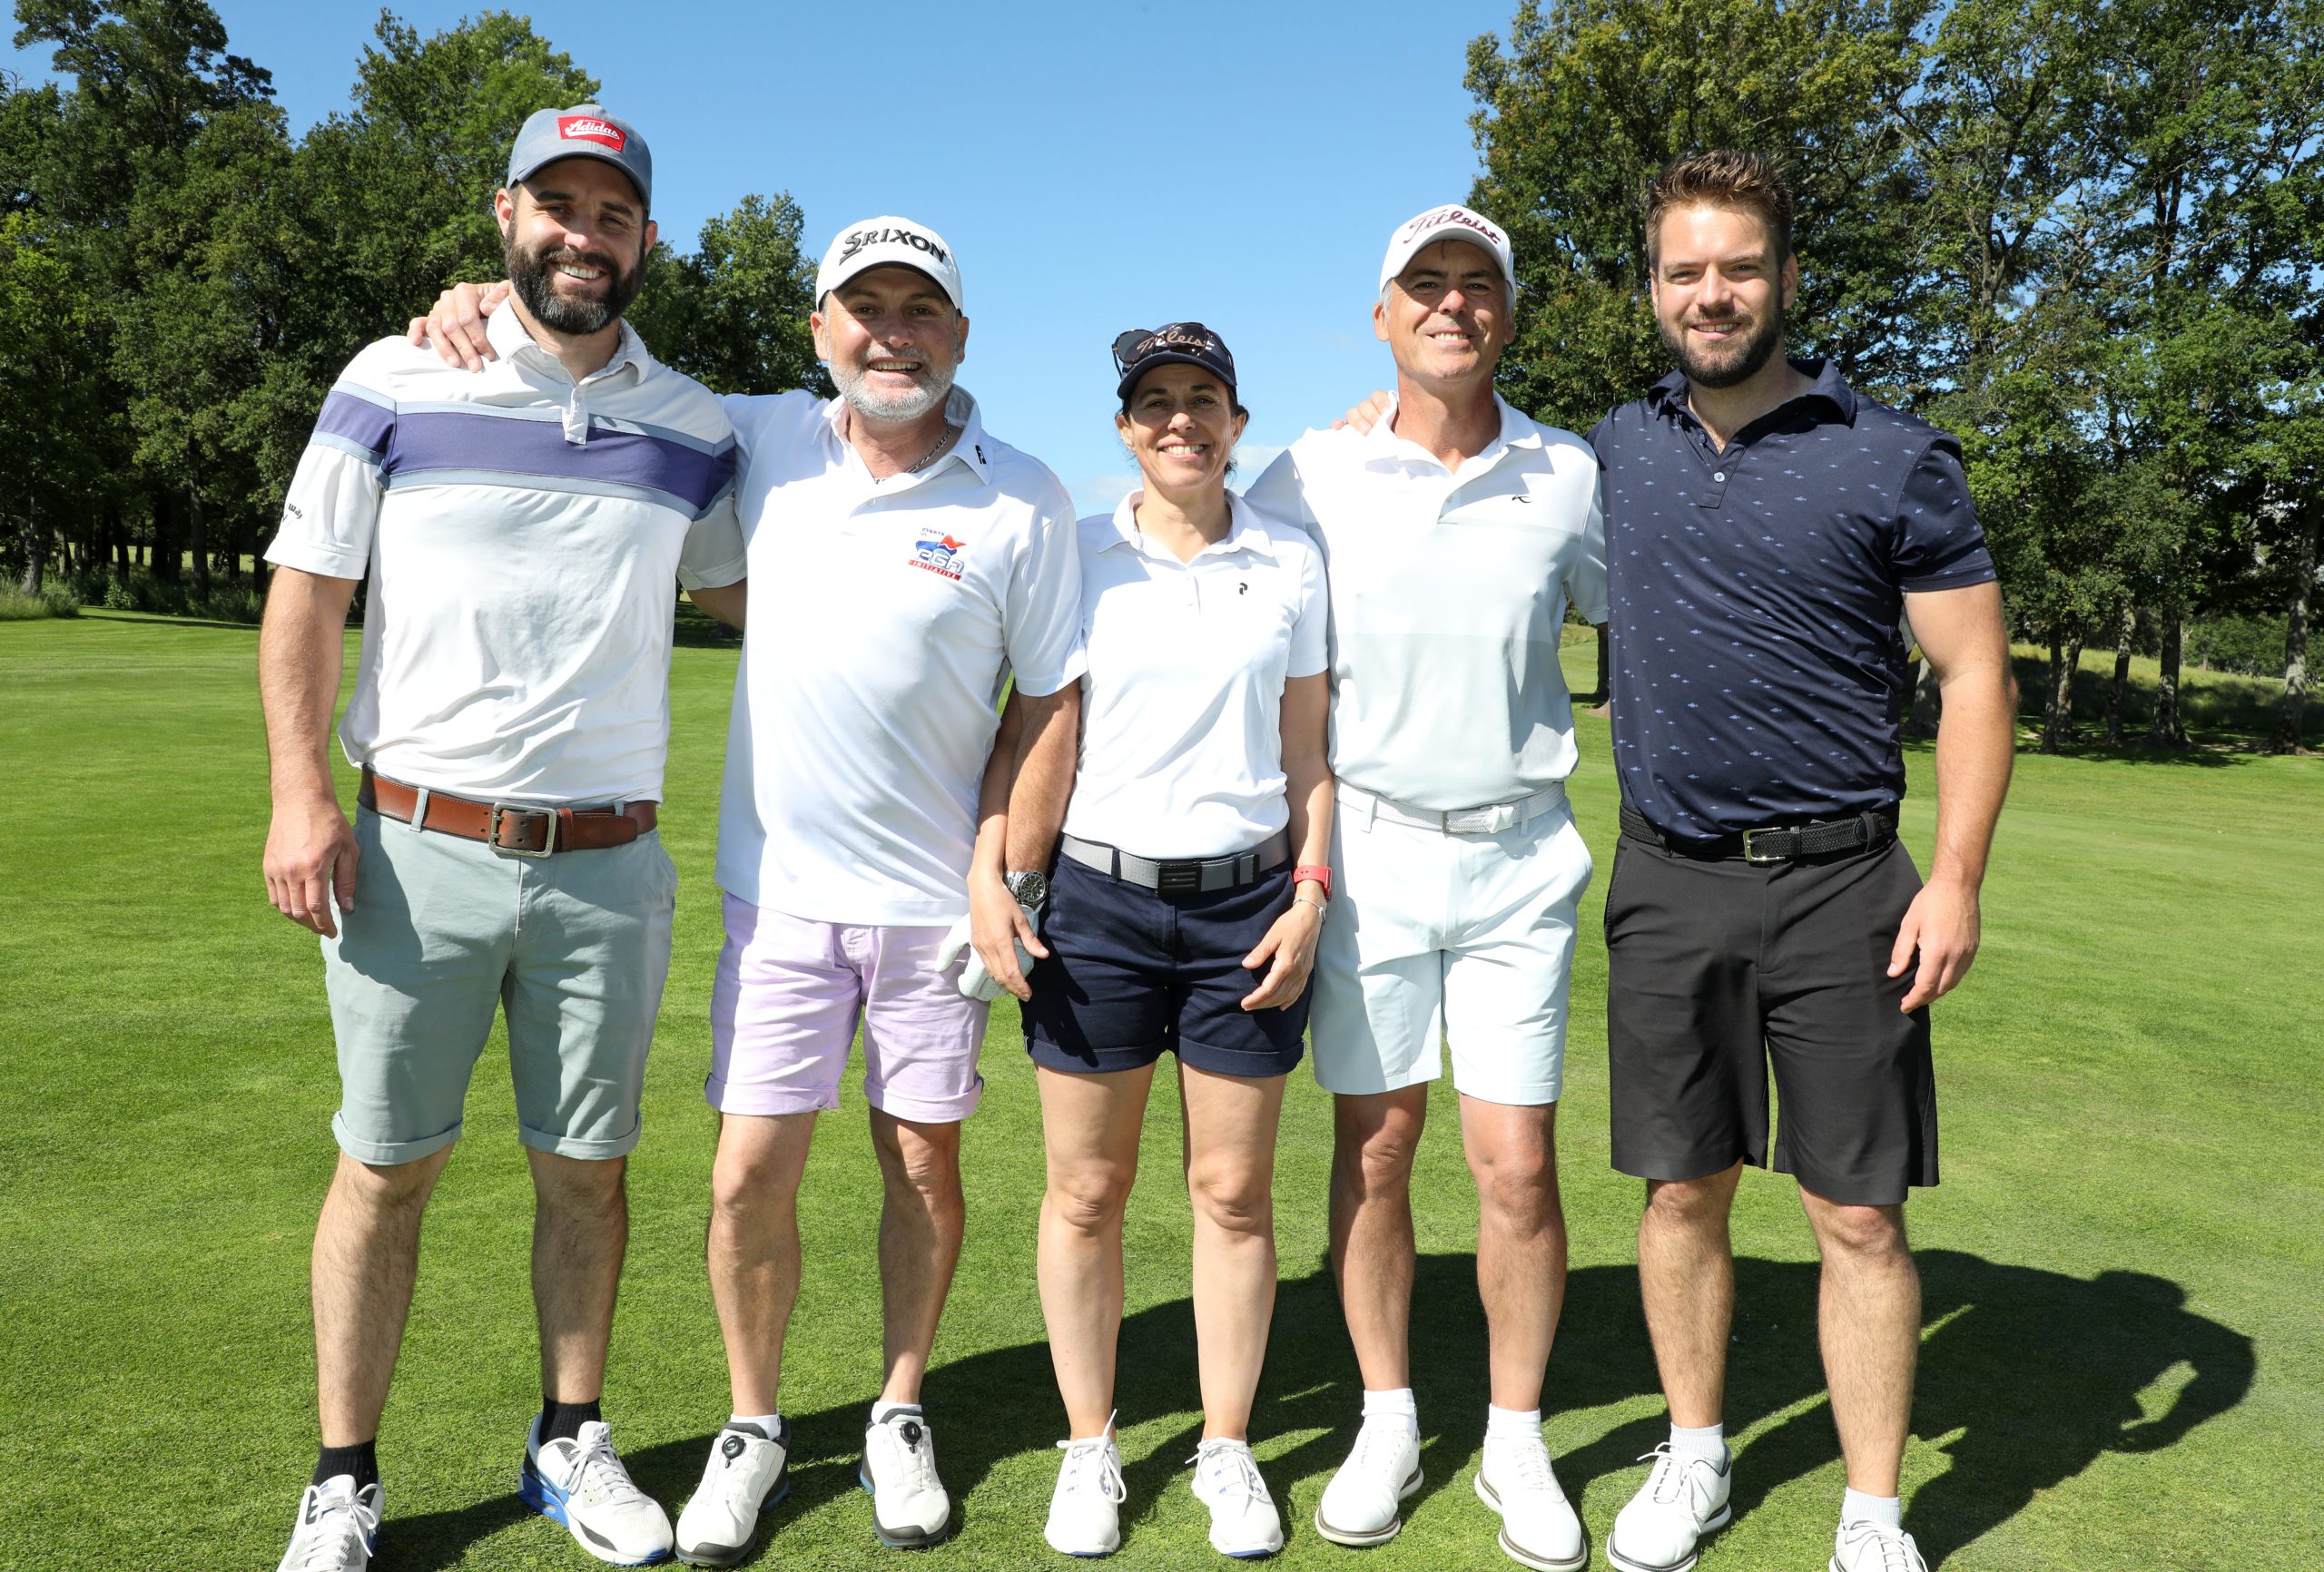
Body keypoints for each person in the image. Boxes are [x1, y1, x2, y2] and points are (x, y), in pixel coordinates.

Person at [414, 215, 1084, 1562]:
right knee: (744, 1178)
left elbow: (1052, 698)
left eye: (920, 310)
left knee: (921, 1163)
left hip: (933, 908)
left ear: (960, 335)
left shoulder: (1025, 495)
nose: (892, 334)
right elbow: (596, 354)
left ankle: (900, 1409)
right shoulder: (756, 433)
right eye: (865, 309)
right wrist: (489, 296)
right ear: (819, 328)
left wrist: (1006, 870)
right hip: (777, 896)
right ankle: (755, 1423)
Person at [263, 104, 746, 1572]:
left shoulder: (697, 426)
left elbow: (764, 597)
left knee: (585, 1171)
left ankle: (568, 1440)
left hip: (611, 863)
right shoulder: (396, 376)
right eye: (557, 207)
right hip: (416, 851)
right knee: (384, 1169)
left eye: (611, 215)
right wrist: (299, 793)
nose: (582, 236)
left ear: (646, 240)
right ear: (506, 216)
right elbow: (308, 593)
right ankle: (344, 1479)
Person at [1587, 151, 2014, 1572]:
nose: (1711, 294)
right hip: (1669, 877)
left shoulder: (1894, 455)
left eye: (1738, 268)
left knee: (1858, 1215)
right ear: (1653, 288)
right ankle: (1697, 1455)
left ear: (1784, 277)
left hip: (1846, 889)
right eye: (1685, 271)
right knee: (1680, 1192)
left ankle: (1872, 1513)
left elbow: (1974, 677)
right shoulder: (1611, 450)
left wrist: (1955, 878)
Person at [1242, 205, 1607, 1572]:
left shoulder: (1568, 472)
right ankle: (1386, 1418)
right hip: (1371, 855)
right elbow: (1209, 565)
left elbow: (1647, 604)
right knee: (1377, 1146)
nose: (1452, 304)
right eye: (1425, 285)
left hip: (1522, 854)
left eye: (1476, 285)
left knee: (1517, 1164)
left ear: (1506, 313)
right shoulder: (1311, 470)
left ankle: (1516, 1436)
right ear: (1384, 316)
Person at [995, 324, 1332, 1559]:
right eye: (1154, 402)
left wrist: (1310, 892)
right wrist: (1005, 878)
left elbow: (1308, 751)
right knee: (1087, 1192)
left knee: (1232, 1193)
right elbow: (1034, 732)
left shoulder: (1290, 558)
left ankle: (1226, 1447)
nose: (1180, 418)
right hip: (1098, 907)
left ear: (1238, 422)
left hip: (1248, 908)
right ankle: (1090, 1444)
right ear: (1124, 429)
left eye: (1203, 398)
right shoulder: (1077, 555)